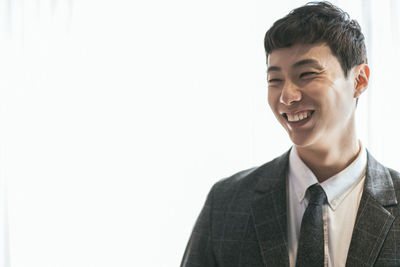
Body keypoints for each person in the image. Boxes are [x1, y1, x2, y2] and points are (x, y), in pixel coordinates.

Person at [180, 1, 400, 267]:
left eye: (306, 74)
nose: (287, 96)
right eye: (275, 80)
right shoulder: (226, 203)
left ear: (359, 80)